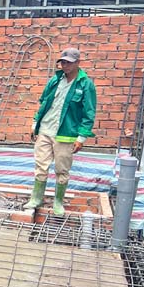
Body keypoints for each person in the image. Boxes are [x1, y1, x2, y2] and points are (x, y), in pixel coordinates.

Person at [24, 47, 97, 216]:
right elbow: (44, 102)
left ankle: (58, 202)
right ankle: (36, 198)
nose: (65, 66)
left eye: (69, 62)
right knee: (41, 166)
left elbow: (89, 113)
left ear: (78, 63)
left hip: (66, 134)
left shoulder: (85, 84)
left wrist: (81, 137)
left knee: (62, 170)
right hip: (45, 130)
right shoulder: (55, 80)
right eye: (63, 62)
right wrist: (35, 123)